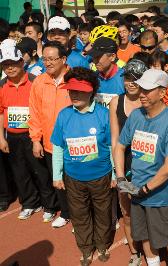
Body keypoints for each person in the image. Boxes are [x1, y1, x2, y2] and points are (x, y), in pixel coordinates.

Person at [114, 69, 168, 266]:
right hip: (137, 191)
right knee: (144, 235)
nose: (141, 94)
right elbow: (120, 146)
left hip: (161, 197)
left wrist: (145, 189)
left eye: (147, 90)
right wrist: (121, 179)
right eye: (141, 89)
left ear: (162, 93)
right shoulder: (136, 115)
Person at [51, 66, 115, 265]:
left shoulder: (104, 114)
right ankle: (86, 248)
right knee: (79, 215)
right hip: (73, 178)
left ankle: (102, 244)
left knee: (103, 212)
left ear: (92, 92)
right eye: (71, 90)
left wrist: (114, 174)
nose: (75, 94)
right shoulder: (64, 115)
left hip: (101, 175)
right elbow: (58, 147)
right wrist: (57, 175)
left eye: (80, 90)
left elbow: (113, 147)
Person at [0, 40, 57, 221]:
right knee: (19, 172)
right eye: (5, 65)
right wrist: (1, 138)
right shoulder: (1, 85)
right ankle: (30, 202)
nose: (10, 68)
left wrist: (37, 137)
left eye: (13, 64)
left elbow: (41, 109)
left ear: (21, 62)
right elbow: (1, 112)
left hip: (33, 135)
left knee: (41, 171)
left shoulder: (35, 81)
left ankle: (49, 205)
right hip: (13, 137)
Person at [29, 41, 72, 228]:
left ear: (63, 59)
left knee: (76, 182)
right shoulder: (39, 81)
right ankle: (65, 212)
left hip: (73, 144)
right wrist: (35, 139)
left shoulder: (74, 78)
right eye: (45, 59)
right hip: (49, 142)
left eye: (52, 59)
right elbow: (34, 112)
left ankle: (81, 213)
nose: (48, 63)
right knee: (58, 180)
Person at [110, 59, 148, 266]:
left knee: (149, 211)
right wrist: (118, 173)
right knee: (127, 212)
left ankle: (152, 251)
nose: (131, 82)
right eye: (127, 77)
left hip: (148, 166)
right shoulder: (116, 102)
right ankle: (135, 252)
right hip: (125, 164)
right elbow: (115, 140)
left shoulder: (149, 100)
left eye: (136, 78)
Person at [88, 37, 125, 109]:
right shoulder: (92, 78)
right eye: (93, 56)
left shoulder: (124, 78)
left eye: (98, 56)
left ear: (112, 57)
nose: (95, 61)